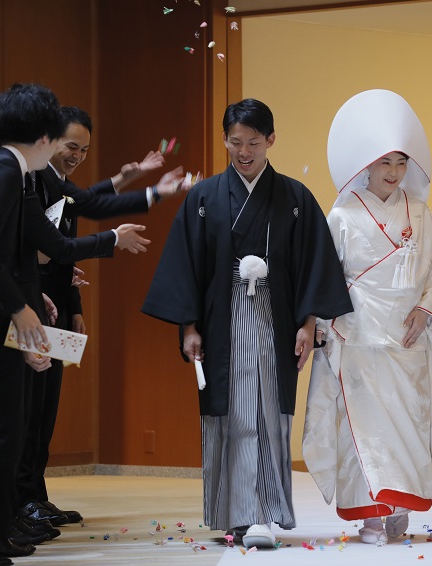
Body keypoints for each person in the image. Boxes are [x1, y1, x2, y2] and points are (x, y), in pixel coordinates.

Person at [142, 98, 352, 549]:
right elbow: (186, 266)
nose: (244, 151)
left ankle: (262, 512)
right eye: (235, 142)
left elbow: (313, 264)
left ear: (271, 140)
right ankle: (239, 514)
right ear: (225, 140)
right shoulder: (203, 198)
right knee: (234, 414)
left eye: (253, 142)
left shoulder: (295, 197)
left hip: (276, 317)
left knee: (267, 412)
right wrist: (189, 327)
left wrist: (308, 323)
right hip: (223, 318)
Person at [17, 105, 188, 528]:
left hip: (56, 306)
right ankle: (20, 500)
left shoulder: (53, 180)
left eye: (84, 150)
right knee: (28, 410)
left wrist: (74, 305)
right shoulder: (31, 179)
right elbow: (82, 210)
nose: (77, 155)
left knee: (46, 409)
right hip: (29, 307)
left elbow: (80, 204)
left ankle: (34, 495)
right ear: (48, 140)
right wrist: (150, 192)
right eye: (71, 146)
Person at [302, 89, 432, 545]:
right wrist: (326, 325)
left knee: (409, 422)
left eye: (401, 163)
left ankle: (400, 505)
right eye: (385, 162)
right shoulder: (343, 215)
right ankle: (371, 514)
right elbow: (326, 273)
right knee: (362, 428)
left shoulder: (420, 212)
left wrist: (426, 309)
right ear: (366, 164)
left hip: (408, 335)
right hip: (360, 334)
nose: (393, 171)